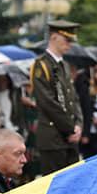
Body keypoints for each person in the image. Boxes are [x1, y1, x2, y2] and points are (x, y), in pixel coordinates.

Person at [33, 20, 84, 174]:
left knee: (71, 188)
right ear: (54, 37)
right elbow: (47, 102)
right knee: (54, 190)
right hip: (53, 138)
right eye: (66, 39)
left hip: (69, 138)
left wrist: (79, 125)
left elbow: (73, 99)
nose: (69, 44)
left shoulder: (65, 66)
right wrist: (70, 128)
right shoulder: (41, 65)